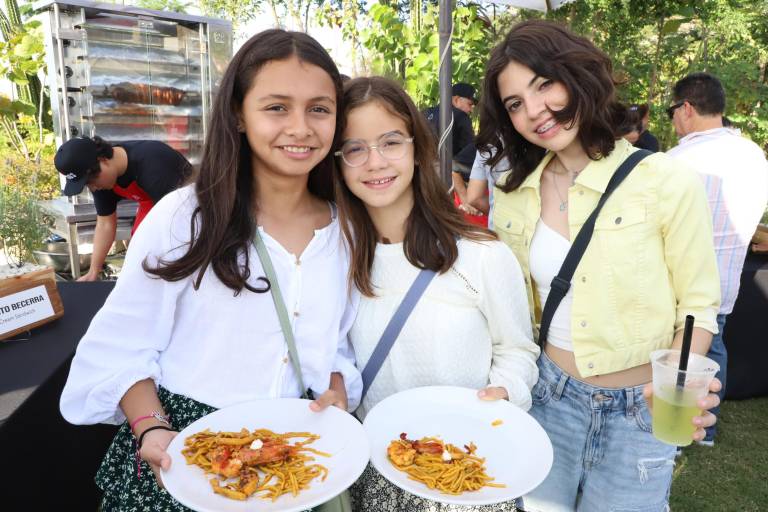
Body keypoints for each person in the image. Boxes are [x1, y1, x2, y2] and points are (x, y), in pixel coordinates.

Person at [59, 29, 361, 510]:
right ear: (239, 115)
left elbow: (335, 340)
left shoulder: (346, 229)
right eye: (277, 107)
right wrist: (152, 425)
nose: (301, 127)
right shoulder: (187, 216)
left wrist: (336, 386)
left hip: (291, 461)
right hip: (185, 451)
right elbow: (121, 345)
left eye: (319, 109)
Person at [477, 20, 722, 512]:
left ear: (577, 76)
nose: (535, 112)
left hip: (642, 410)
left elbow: (697, 305)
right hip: (546, 400)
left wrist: (677, 382)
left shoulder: (665, 180)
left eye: (544, 84)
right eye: (515, 104)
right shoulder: (513, 196)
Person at [334, 76, 539, 511]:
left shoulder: (481, 255)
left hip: (472, 472)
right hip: (376, 474)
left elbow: (518, 352)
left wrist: (505, 391)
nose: (375, 162)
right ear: (337, 162)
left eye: (391, 142)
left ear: (416, 147)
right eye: (354, 148)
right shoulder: (336, 261)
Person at [667, 71, 768, 446]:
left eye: (672, 110)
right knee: (716, 348)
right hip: (726, 281)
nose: (673, 119)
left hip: (683, 284)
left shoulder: (678, 159)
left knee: (678, 360)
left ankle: (683, 429)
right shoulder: (753, 154)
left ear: (687, 107)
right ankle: (705, 428)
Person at [54, 136, 192, 281]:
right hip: (153, 204)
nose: (93, 188)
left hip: (188, 209)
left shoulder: (153, 162)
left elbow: (175, 223)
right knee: (138, 256)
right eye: (87, 185)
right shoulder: (101, 178)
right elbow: (105, 224)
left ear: (103, 160)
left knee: (161, 258)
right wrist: (93, 271)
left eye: (91, 181)